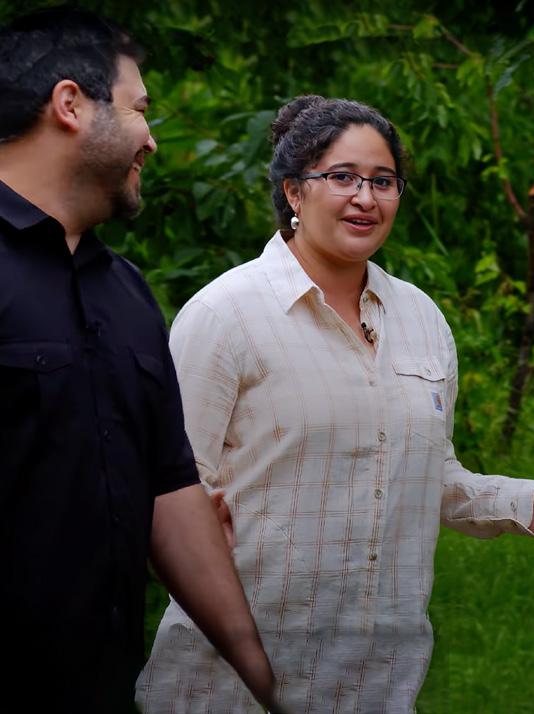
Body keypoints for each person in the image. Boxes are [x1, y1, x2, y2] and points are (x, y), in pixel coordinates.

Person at [137, 95, 534, 713]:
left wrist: (520, 503)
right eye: (342, 177)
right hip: (234, 681)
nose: (365, 198)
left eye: (383, 181)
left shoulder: (421, 318)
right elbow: (170, 490)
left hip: (378, 680)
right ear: (293, 191)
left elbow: (423, 474)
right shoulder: (225, 314)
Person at [0, 7, 280, 713]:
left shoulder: (125, 292)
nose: (151, 138)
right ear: (70, 104)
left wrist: (264, 675)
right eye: (139, 109)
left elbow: (169, 488)